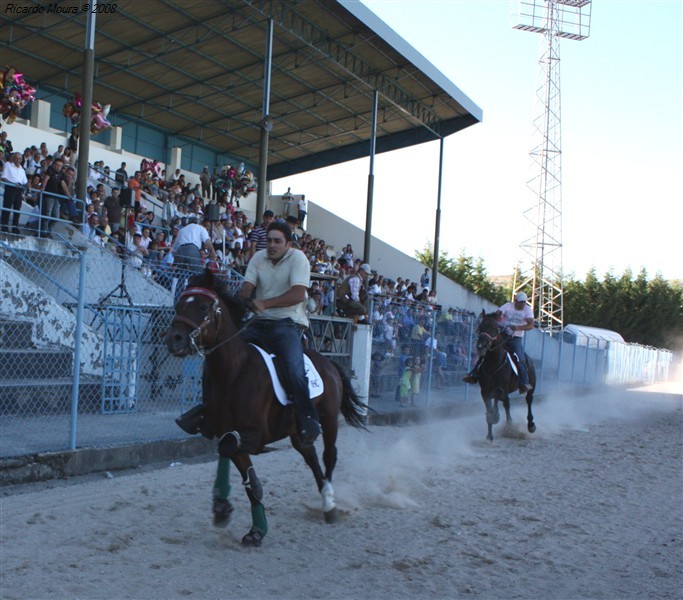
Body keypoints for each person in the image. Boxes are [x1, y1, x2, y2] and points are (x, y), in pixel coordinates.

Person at [238, 221, 321, 445]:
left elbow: (297, 293)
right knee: (227, 354)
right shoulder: (258, 258)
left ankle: (308, 419)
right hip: (258, 323)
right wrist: (243, 298)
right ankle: (209, 410)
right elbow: (247, 286)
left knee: (294, 370)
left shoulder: (298, 259)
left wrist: (264, 303)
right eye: (269, 240)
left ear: (288, 244)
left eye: (277, 241)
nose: (272, 245)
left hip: (288, 323)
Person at [463, 292, 534, 391]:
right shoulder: (508, 306)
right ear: (515, 301)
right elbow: (498, 314)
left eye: (524, 302)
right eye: (520, 302)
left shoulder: (527, 310)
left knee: (520, 357)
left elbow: (531, 325)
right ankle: (474, 374)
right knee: (486, 351)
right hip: (502, 335)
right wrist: (498, 318)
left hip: (515, 338)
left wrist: (517, 327)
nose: (522, 304)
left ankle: (524, 382)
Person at [1, 152, 28, 234]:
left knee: (17, 209)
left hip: (19, 190)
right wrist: (13, 184)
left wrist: (28, 184)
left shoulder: (22, 169)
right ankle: (4, 226)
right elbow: (3, 178)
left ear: (21, 160)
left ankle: (15, 227)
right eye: (16, 158)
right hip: (10, 188)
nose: (18, 160)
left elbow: (25, 181)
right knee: (7, 207)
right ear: (13, 158)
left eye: (20, 159)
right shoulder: (8, 166)